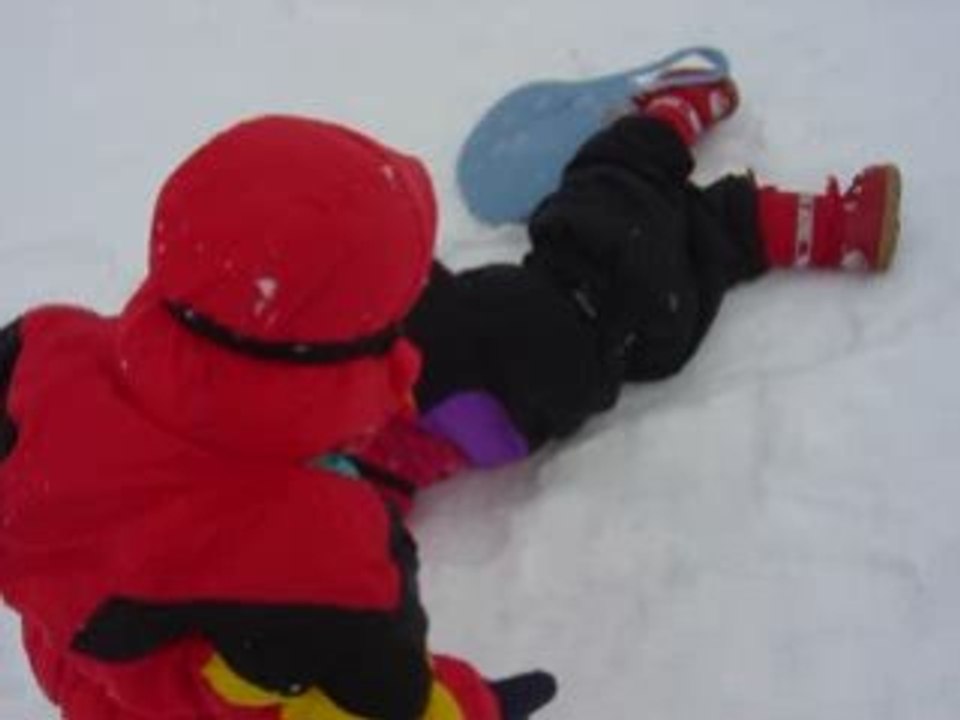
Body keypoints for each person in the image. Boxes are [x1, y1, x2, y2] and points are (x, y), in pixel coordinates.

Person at [0, 62, 900, 720]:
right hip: (350, 415)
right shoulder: (310, 571)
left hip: (276, 402)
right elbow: (389, 698)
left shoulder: (45, 380)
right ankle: (689, 178)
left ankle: (646, 151)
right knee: (591, 317)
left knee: (503, 323)